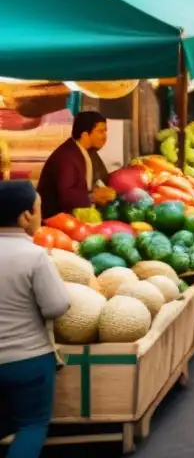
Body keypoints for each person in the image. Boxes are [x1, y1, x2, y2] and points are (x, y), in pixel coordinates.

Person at [0, 181, 70, 458]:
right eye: (39, 209)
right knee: (31, 426)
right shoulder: (34, 255)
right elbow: (56, 305)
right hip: (27, 360)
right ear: (25, 216)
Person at [37, 111, 116, 218]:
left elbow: (102, 179)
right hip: (56, 221)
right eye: (100, 131)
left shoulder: (88, 153)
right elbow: (66, 197)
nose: (105, 137)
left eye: (105, 131)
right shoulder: (67, 157)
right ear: (85, 135)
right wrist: (93, 197)